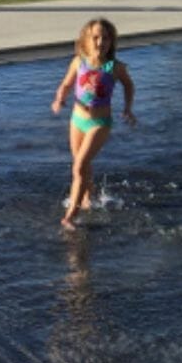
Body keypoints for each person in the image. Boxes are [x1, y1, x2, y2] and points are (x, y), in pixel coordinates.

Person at [50, 17, 136, 229]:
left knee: (78, 167)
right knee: (82, 165)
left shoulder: (115, 67)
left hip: (99, 122)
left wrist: (127, 108)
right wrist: (60, 98)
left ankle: (70, 216)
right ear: (86, 40)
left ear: (111, 42)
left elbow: (128, 85)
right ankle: (89, 197)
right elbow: (66, 83)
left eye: (105, 38)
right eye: (95, 37)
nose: (100, 42)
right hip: (77, 119)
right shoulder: (79, 61)